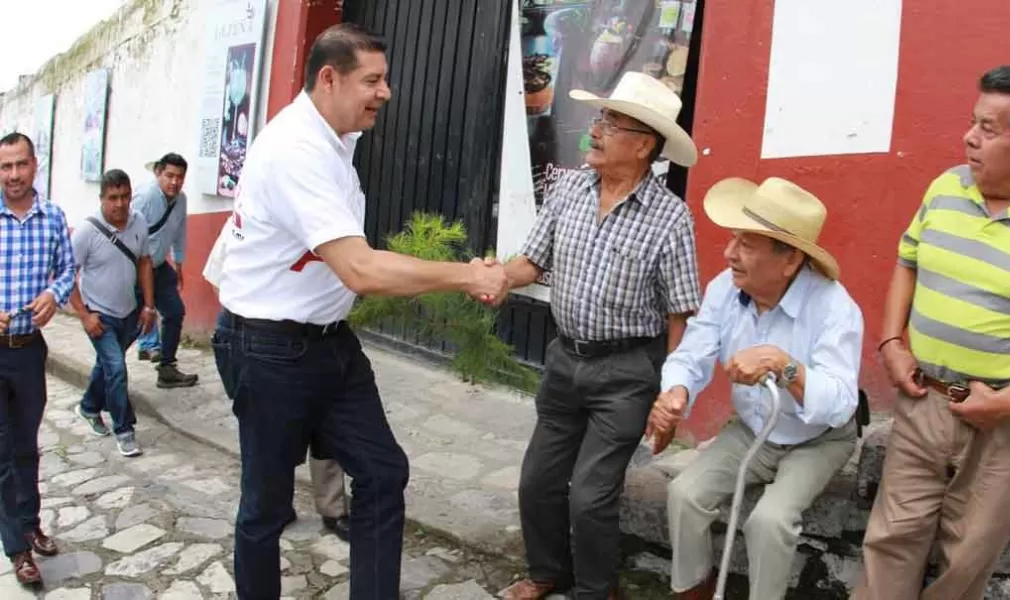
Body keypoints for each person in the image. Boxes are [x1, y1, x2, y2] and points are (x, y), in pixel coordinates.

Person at [211, 23, 506, 599]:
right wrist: (467, 275)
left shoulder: (335, 138)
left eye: (385, 79)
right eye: (373, 80)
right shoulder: (298, 150)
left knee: (381, 472)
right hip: (268, 349)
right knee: (265, 508)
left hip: (327, 343)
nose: (386, 93)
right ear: (329, 77)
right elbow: (362, 269)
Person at [854, 65, 1010, 600]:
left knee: (966, 560)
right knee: (890, 540)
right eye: (973, 123)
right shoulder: (946, 187)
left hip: (1002, 421)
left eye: (989, 129)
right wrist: (891, 343)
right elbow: (908, 262)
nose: (970, 138)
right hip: (924, 398)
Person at [498, 71, 703, 600]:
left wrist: (669, 393)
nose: (597, 130)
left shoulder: (670, 218)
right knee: (537, 481)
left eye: (612, 122)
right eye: (600, 118)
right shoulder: (569, 188)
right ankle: (548, 572)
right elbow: (531, 260)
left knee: (590, 495)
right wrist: (495, 277)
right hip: (565, 359)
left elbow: (682, 313)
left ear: (642, 146)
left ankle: (595, 590)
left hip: (628, 372)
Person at [646, 177, 863, 600]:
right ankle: (692, 590)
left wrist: (783, 364)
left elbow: (839, 404)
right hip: (751, 428)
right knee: (685, 495)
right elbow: (694, 351)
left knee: (770, 521)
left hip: (816, 439)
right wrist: (676, 393)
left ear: (789, 261)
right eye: (733, 239)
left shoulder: (835, 307)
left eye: (746, 244)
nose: (729, 254)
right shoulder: (725, 290)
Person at [204, 217, 351, 541]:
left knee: (326, 429)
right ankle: (274, 505)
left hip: (317, 342)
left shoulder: (326, 224)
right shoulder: (246, 223)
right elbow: (217, 278)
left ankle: (333, 509)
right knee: (268, 435)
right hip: (260, 345)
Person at [0, 132, 76, 586]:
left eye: (20, 165)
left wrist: (55, 293)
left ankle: (29, 521)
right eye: (5, 167)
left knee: (27, 446)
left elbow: (68, 269)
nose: (13, 175)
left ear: (35, 166)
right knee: (3, 451)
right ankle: (17, 547)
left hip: (30, 353)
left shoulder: (53, 217)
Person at [69, 169, 157, 458]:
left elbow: (144, 262)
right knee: (116, 369)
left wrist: (148, 306)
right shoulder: (86, 232)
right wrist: (84, 315)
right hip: (99, 315)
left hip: (129, 312)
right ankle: (125, 429)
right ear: (102, 199)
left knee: (107, 366)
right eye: (113, 198)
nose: (120, 204)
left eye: (125, 197)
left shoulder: (139, 222)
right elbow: (67, 274)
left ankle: (89, 406)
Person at [132, 152, 199, 389]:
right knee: (127, 323)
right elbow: (125, 228)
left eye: (179, 177)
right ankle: (111, 372)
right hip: (134, 269)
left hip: (159, 267)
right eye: (169, 175)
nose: (174, 182)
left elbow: (179, 232)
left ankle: (167, 369)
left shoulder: (181, 200)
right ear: (158, 173)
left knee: (174, 311)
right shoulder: (145, 196)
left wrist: (178, 264)